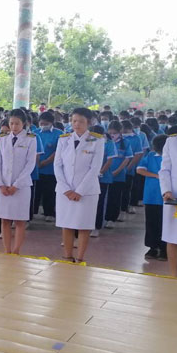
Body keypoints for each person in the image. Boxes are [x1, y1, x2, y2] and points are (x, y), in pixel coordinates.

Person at [54, 108, 105, 263]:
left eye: (81, 121)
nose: (76, 124)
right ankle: (67, 256)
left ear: (88, 122)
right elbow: (57, 165)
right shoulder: (63, 139)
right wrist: (66, 189)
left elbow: (95, 168)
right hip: (65, 191)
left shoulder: (97, 140)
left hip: (87, 192)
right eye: (74, 121)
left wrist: (79, 191)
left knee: (84, 226)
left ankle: (80, 257)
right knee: (66, 224)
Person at [0, 109, 38, 255]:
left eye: (17, 123)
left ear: (23, 124)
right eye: (11, 123)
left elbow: (30, 164)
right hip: (3, 185)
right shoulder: (2, 139)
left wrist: (16, 185)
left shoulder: (31, 139)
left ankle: (16, 250)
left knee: (19, 221)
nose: (14, 126)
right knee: (4, 219)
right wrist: (0, 183)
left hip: (21, 187)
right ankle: (7, 250)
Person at [159, 113, 177, 277]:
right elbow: (164, 169)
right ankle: (173, 275)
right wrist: (166, 190)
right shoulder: (172, 142)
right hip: (175, 197)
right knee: (173, 236)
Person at [138, 134, 167, 260]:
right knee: (151, 221)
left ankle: (165, 249)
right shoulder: (150, 156)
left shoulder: (172, 157)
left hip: (166, 196)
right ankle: (152, 247)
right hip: (151, 194)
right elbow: (139, 170)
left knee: (165, 223)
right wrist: (156, 175)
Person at [34, 111, 62, 222]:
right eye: (41, 123)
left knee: (49, 192)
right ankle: (33, 211)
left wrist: (45, 162)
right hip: (36, 168)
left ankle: (49, 212)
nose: (43, 125)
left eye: (46, 123)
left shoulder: (59, 134)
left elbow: (58, 151)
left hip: (51, 169)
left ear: (51, 123)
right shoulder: (35, 133)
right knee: (36, 192)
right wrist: (37, 163)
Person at [104, 120, 131, 228]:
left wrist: (117, 171)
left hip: (118, 176)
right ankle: (103, 218)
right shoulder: (104, 141)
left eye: (114, 133)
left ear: (120, 132)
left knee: (115, 198)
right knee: (105, 198)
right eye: (110, 133)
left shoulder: (125, 143)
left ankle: (112, 218)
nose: (112, 135)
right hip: (105, 175)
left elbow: (127, 159)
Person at [92, 124, 117, 237]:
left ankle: (96, 227)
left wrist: (100, 172)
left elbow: (109, 161)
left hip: (103, 178)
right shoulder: (88, 141)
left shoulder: (109, 143)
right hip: (88, 178)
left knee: (100, 202)